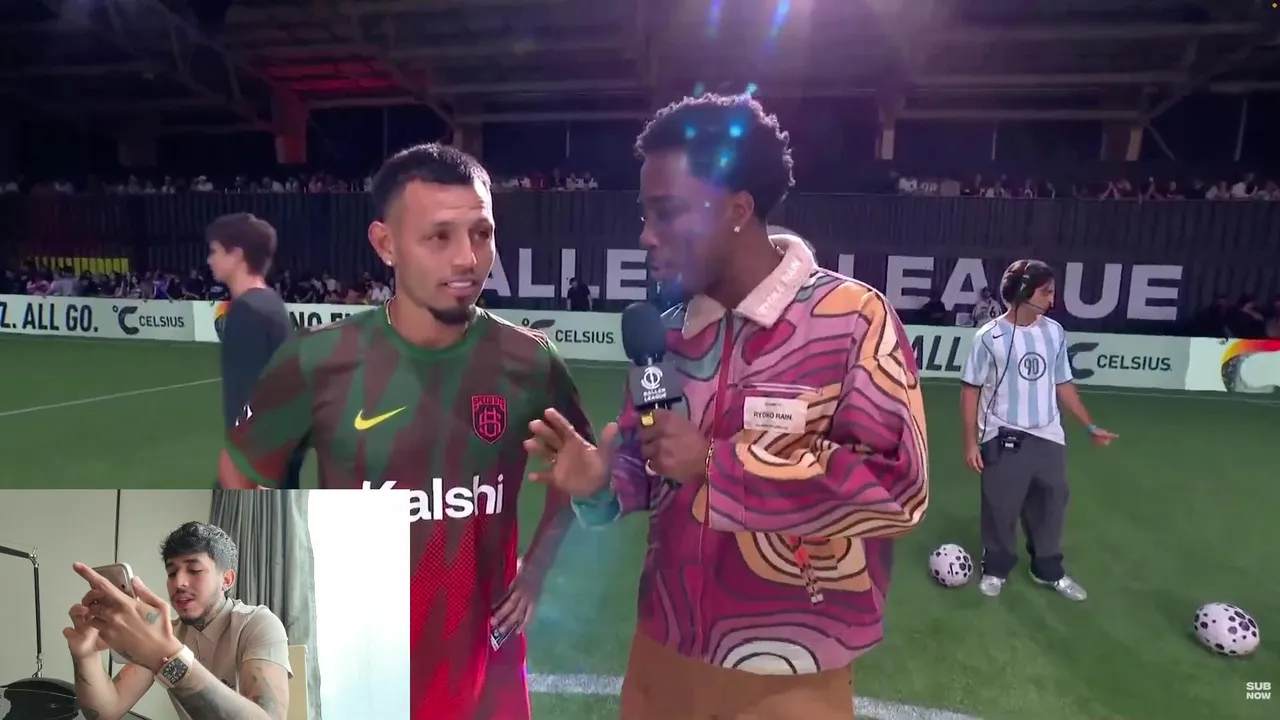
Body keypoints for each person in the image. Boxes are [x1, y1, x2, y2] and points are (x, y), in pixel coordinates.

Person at [522, 94, 930, 719]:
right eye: (645, 213)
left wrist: (718, 464)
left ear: (738, 210)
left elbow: (899, 488)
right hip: (663, 650)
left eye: (667, 213)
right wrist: (603, 482)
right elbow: (650, 458)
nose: (646, 235)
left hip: (794, 669)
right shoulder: (664, 328)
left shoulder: (852, 320)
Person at [216, 143, 590, 720]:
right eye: (438, 237)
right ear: (385, 243)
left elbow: (579, 472)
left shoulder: (531, 361)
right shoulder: (317, 361)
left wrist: (536, 569)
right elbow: (241, 472)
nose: (468, 258)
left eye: (482, 233)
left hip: (485, 671)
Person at [959, 259, 1118, 601]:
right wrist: (971, 442)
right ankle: (995, 568)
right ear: (1023, 293)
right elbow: (970, 389)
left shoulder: (1054, 332)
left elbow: (1064, 383)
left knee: (1051, 502)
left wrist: (1089, 425)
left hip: (1048, 434)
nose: (1052, 299)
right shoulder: (989, 337)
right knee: (1000, 507)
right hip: (1002, 433)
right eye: (1046, 292)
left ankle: (1047, 569)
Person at [66, 522, 290, 720]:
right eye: (172, 573)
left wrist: (168, 655)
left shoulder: (258, 624)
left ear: (227, 579)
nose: (179, 582)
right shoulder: (169, 632)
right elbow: (107, 711)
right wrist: (85, 655)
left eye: (194, 570)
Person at [206, 214, 301, 489]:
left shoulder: (247, 312)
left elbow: (251, 402)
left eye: (215, 251)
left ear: (236, 255)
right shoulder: (270, 303)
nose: (210, 260)